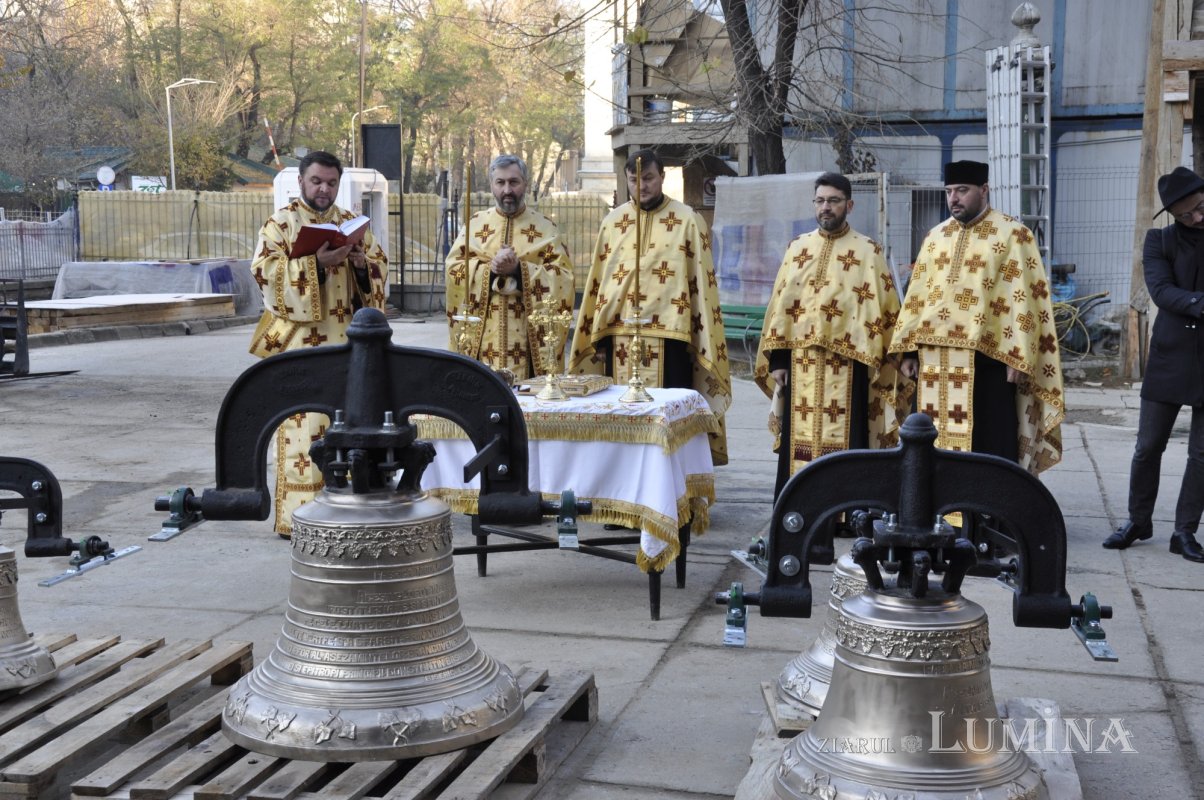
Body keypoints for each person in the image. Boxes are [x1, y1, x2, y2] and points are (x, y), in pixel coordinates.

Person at [890, 160, 1064, 474]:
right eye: (949, 191)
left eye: (962, 190)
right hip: (934, 365)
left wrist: (1020, 355)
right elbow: (918, 298)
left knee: (989, 443)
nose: (953, 198)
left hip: (988, 363)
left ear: (984, 190)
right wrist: (910, 352)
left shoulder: (1014, 236)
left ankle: (988, 503)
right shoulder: (935, 237)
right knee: (929, 441)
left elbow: (1025, 299)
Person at [248, 150, 388, 536]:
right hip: (302, 350)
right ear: (301, 182)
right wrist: (317, 266)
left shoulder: (352, 223)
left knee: (351, 427)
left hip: (348, 347)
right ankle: (301, 518)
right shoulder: (280, 224)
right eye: (316, 181)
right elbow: (265, 276)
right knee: (304, 431)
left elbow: (379, 273)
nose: (324, 189)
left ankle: (351, 516)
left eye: (331, 183)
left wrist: (360, 265)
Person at [569, 148, 731, 464]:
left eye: (648, 178)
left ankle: (671, 486)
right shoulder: (613, 222)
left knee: (670, 422)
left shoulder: (688, 220)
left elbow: (701, 284)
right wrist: (600, 337)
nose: (641, 186)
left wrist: (698, 338)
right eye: (634, 179)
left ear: (662, 177)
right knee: (621, 418)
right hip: (620, 339)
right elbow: (601, 284)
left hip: (673, 341)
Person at [754, 172, 908, 499]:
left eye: (834, 201)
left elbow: (886, 312)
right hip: (800, 364)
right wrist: (779, 359)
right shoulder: (798, 248)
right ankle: (797, 505)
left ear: (849, 205)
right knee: (797, 441)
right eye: (820, 200)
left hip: (849, 368)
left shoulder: (868, 252)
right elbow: (781, 306)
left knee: (849, 437)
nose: (826, 207)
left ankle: (845, 510)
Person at [1103, 166, 1204, 561]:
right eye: (1186, 215)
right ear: (1173, 216)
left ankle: (1185, 532)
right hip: (1170, 356)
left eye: (1200, 207)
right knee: (1148, 447)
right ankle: (1138, 521)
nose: (1196, 218)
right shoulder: (1159, 240)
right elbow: (1162, 291)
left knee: (1201, 455)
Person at [444, 154, 574, 380]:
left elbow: (563, 278)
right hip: (483, 342)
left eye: (514, 182)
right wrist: (490, 270)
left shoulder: (546, 229)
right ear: (492, 185)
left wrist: (518, 269)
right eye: (500, 182)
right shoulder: (475, 225)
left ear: (525, 183)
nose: (507, 190)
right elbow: (453, 270)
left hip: (529, 343)